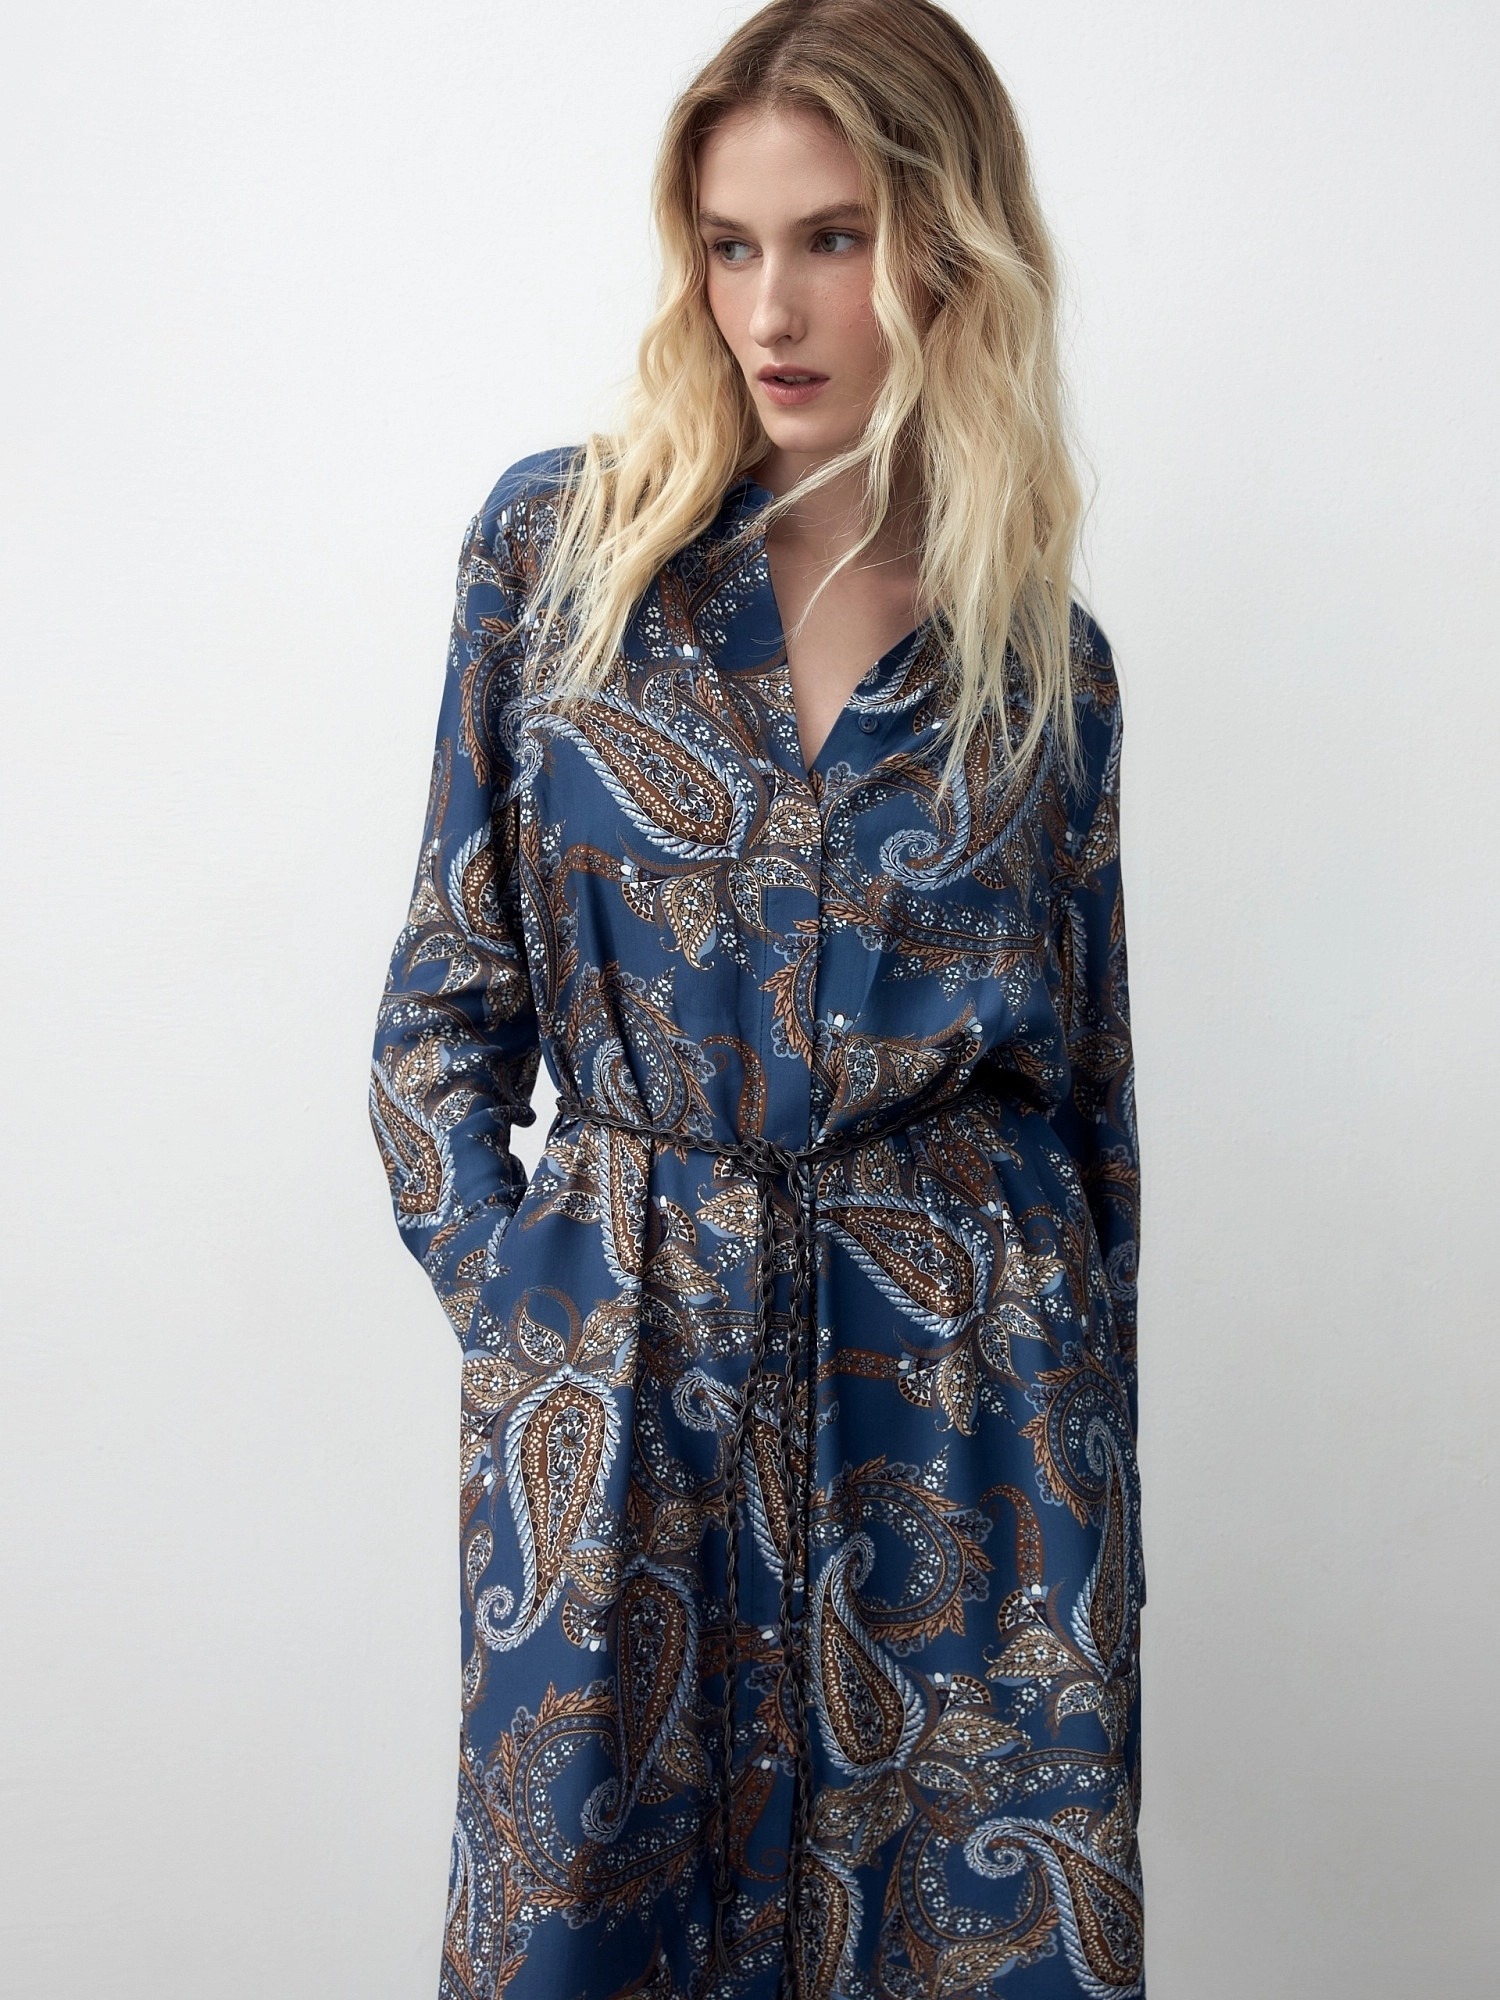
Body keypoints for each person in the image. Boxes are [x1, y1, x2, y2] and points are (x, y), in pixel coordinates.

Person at [366, 1, 1145, 1995]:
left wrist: (1085, 1489)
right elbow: (441, 1022)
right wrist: (543, 1319)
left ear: (951, 253)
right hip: (630, 1395)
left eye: (832, 239)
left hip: (967, 1426)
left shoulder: (1040, 665)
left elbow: (1087, 1116)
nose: (771, 309)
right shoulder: (560, 558)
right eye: (730, 244)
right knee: (584, 1922)